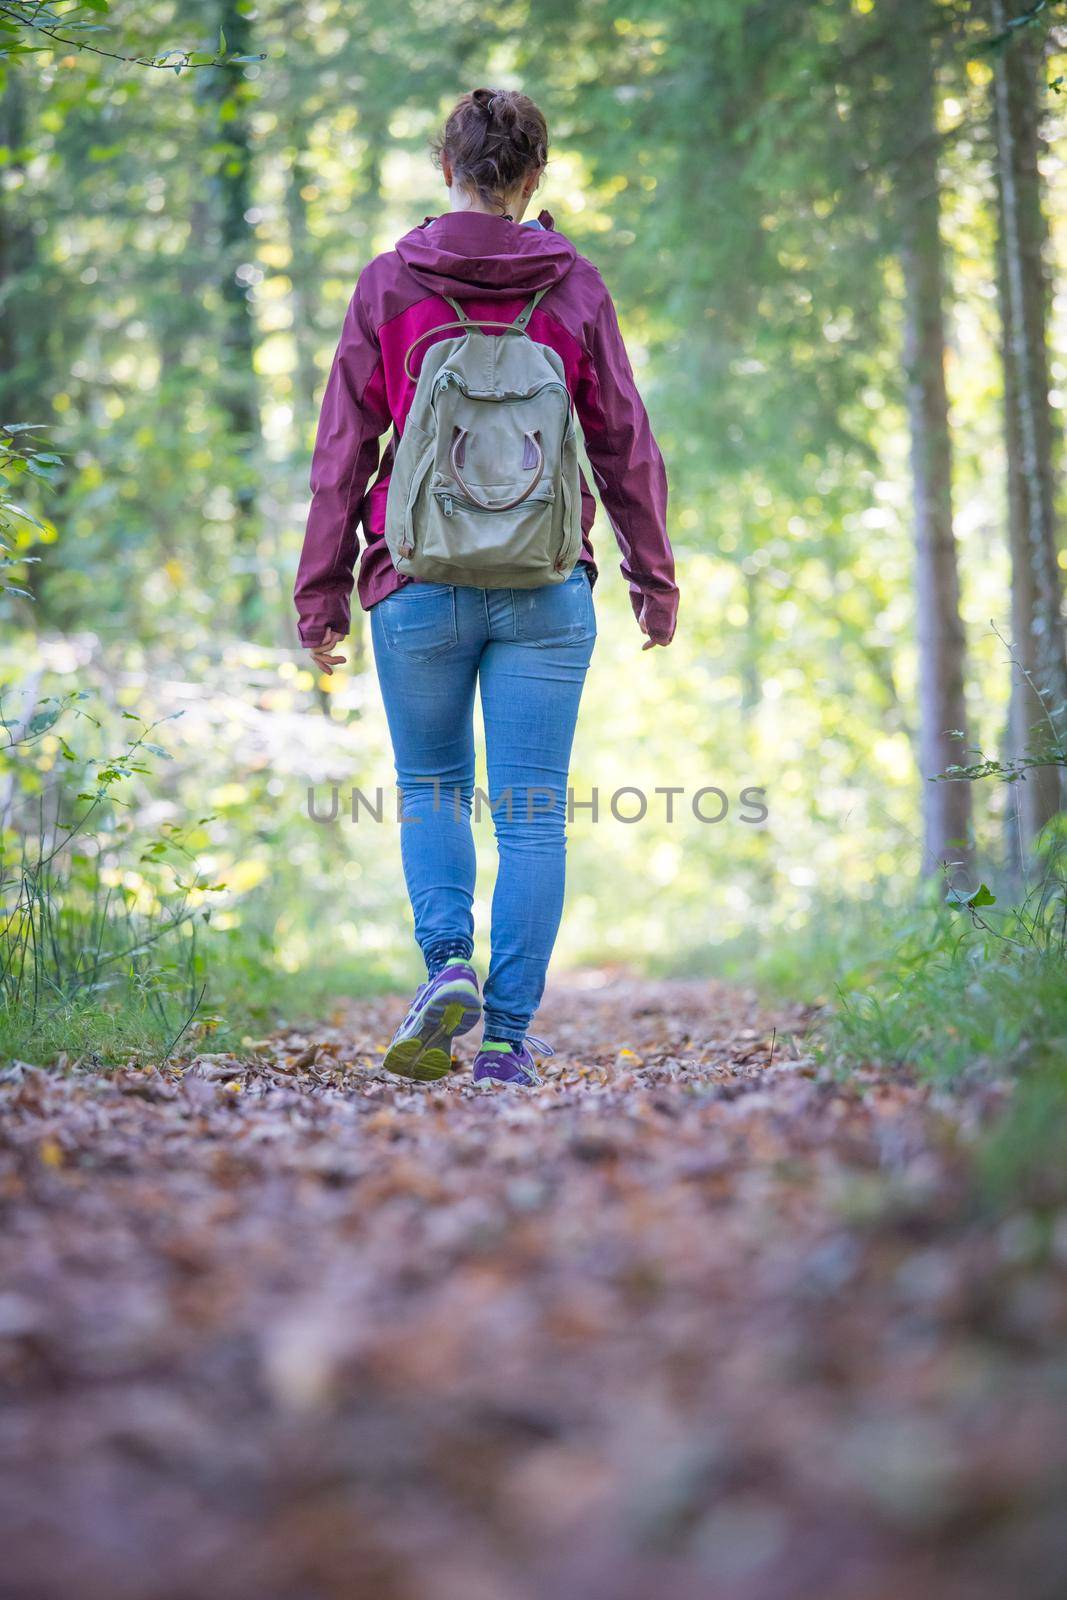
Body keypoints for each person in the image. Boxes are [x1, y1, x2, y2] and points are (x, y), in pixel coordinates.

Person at [294, 87, 679, 1087]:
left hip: (413, 577)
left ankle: (445, 969)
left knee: (429, 789)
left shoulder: (389, 284)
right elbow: (622, 441)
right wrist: (651, 573)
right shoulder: (573, 286)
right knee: (532, 812)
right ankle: (505, 1041)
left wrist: (321, 592)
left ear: (445, 167)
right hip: (547, 585)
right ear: (534, 174)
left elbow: (344, 447)